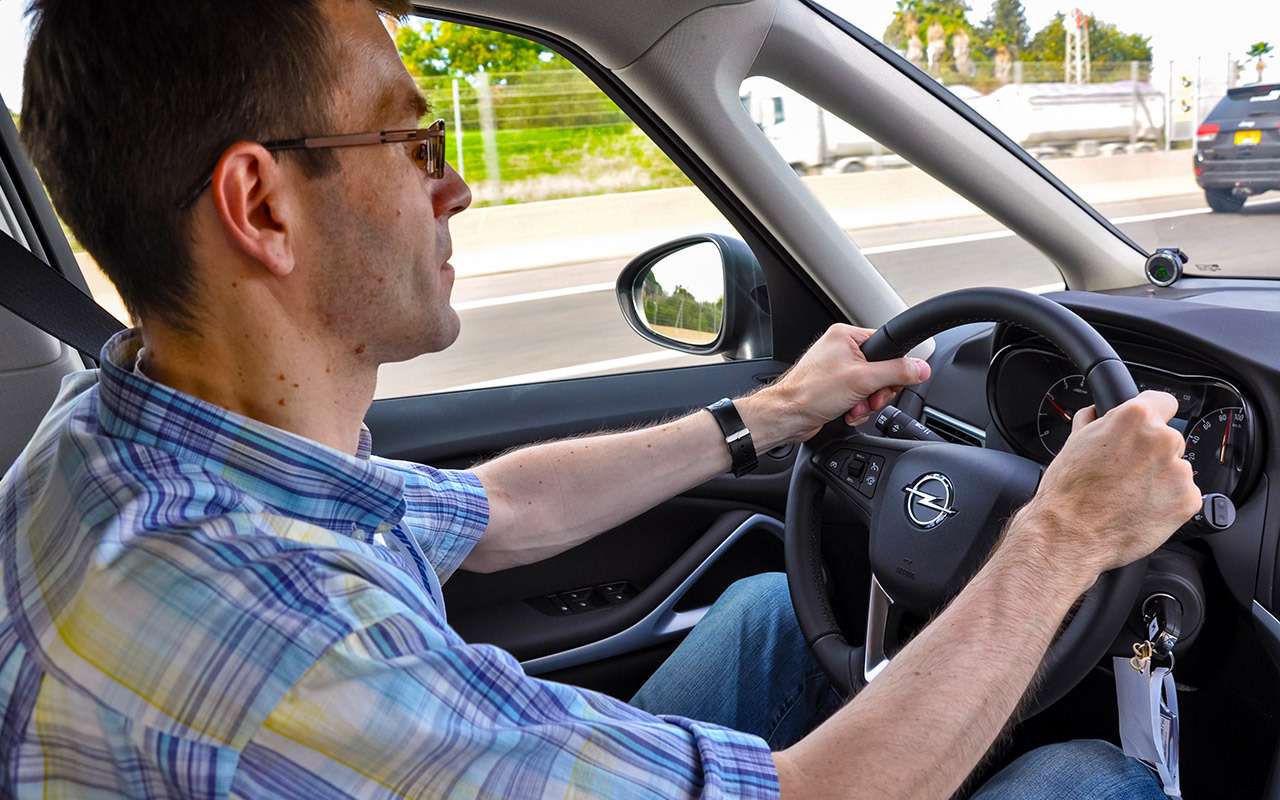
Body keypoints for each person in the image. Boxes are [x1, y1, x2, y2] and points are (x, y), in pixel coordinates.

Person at [0, 1, 1201, 797]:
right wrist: (1059, 537)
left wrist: (771, 411)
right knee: (1087, 780)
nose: (456, 184)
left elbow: (491, 510)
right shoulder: (295, 646)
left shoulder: (118, 439)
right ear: (262, 207)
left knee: (766, 617)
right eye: (412, 144)